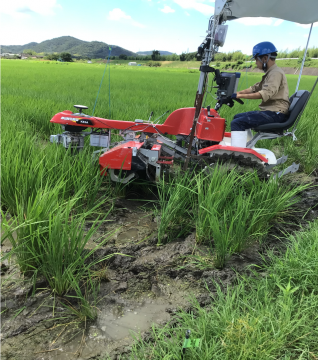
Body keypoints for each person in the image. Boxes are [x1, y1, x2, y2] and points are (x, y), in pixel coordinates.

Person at [230, 41, 290, 148]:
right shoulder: (271, 72)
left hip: (275, 114)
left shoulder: (275, 73)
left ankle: (237, 154)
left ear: (265, 58)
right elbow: (255, 88)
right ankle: (245, 147)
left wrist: (239, 96)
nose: (255, 63)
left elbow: (264, 94)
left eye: (256, 59)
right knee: (237, 118)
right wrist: (236, 93)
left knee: (237, 123)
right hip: (272, 112)